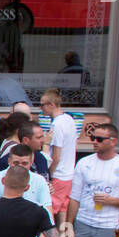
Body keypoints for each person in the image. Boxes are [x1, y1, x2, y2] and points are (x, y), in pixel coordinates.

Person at [41, 89, 78, 224]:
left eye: (42, 105)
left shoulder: (57, 124)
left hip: (58, 174)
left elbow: (56, 156)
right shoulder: (69, 119)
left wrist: (48, 175)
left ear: (51, 104)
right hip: (68, 174)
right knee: (62, 210)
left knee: (50, 213)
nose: (41, 108)